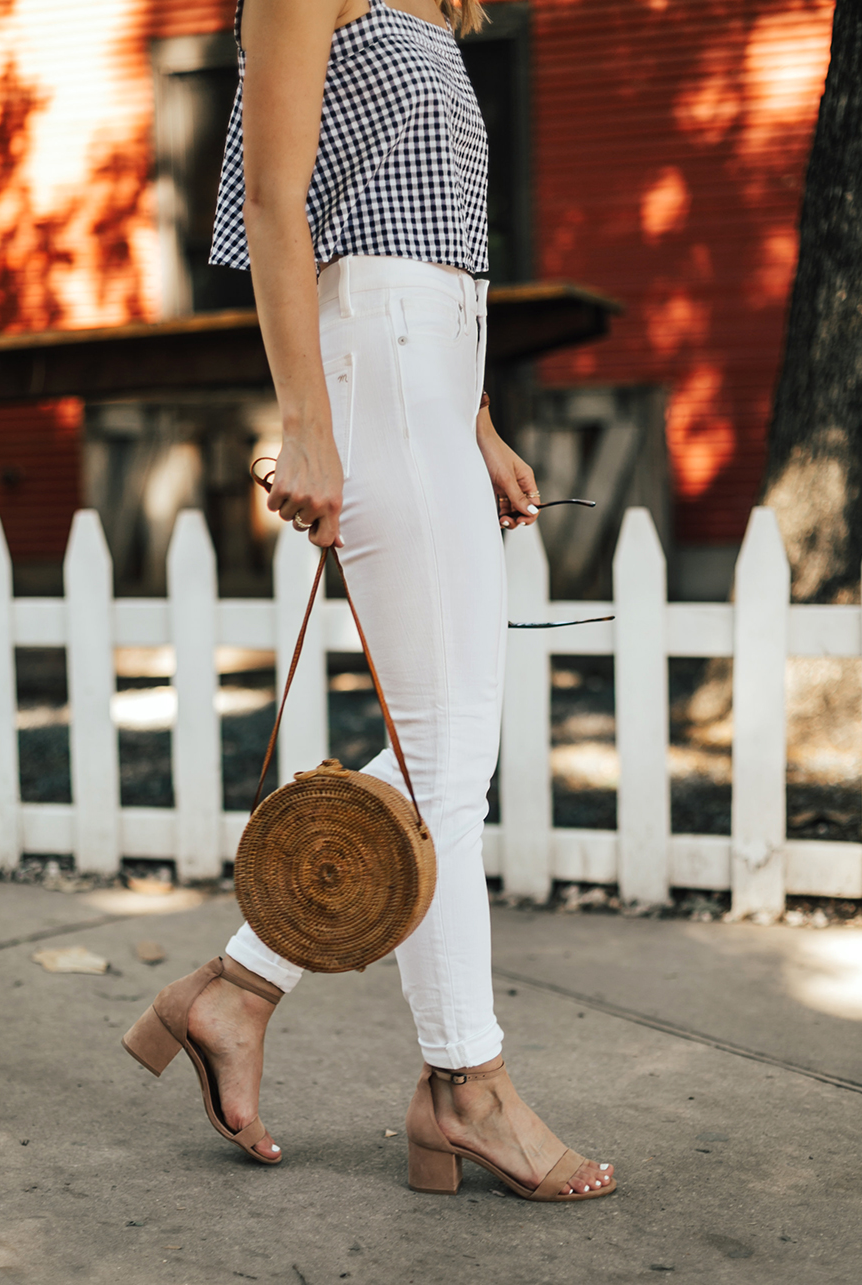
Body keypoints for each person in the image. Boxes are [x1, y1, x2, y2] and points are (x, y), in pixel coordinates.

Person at [123, 0, 616, 1203]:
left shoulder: (430, 5)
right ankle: (465, 1085)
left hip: (432, 377)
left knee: (445, 753)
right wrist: (305, 425)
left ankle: (236, 993)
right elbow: (275, 204)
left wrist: (479, 419)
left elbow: (441, 219)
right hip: (375, 368)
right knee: (444, 757)